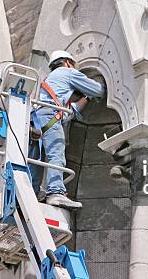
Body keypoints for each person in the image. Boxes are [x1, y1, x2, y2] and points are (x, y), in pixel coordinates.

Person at [29, 50, 106, 209]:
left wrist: (86, 97)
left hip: (37, 119)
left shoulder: (51, 81)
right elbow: (98, 90)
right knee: (56, 153)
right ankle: (55, 192)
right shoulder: (67, 72)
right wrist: (102, 85)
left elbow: (72, 111)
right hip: (50, 116)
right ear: (67, 62)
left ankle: (31, 193)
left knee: (37, 160)